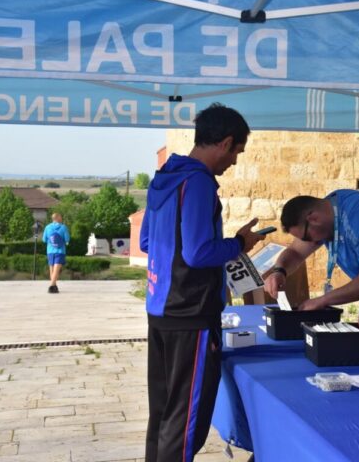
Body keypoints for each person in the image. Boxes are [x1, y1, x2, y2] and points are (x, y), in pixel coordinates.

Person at [139, 103, 264, 462]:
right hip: (190, 313)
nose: (234, 162)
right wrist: (239, 244)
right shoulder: (198, 183)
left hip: (160, 308)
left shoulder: (164, 177)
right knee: (184, 422)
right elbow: (197, 253)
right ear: (225, 143)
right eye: (237, 152)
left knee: (163, 415)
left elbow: (147, 242)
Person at [263, 190, 359, 314]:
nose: (307, 242)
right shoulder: (328, 212)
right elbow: (295, 252)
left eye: (306, 237)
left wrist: (323, 300)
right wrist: (280, 271)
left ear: (314, 219)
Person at [42, 212, 70, 294]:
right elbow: (67, 239)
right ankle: (51, 286)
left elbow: (44, 239)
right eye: (61, 217)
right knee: (56, 270)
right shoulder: (63, 227)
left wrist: (50, 242)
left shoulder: (47, 227)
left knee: (52, 270)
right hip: (60, 251)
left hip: (50, 251)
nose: (61, 218)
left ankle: (54, 286)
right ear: (58, 218)